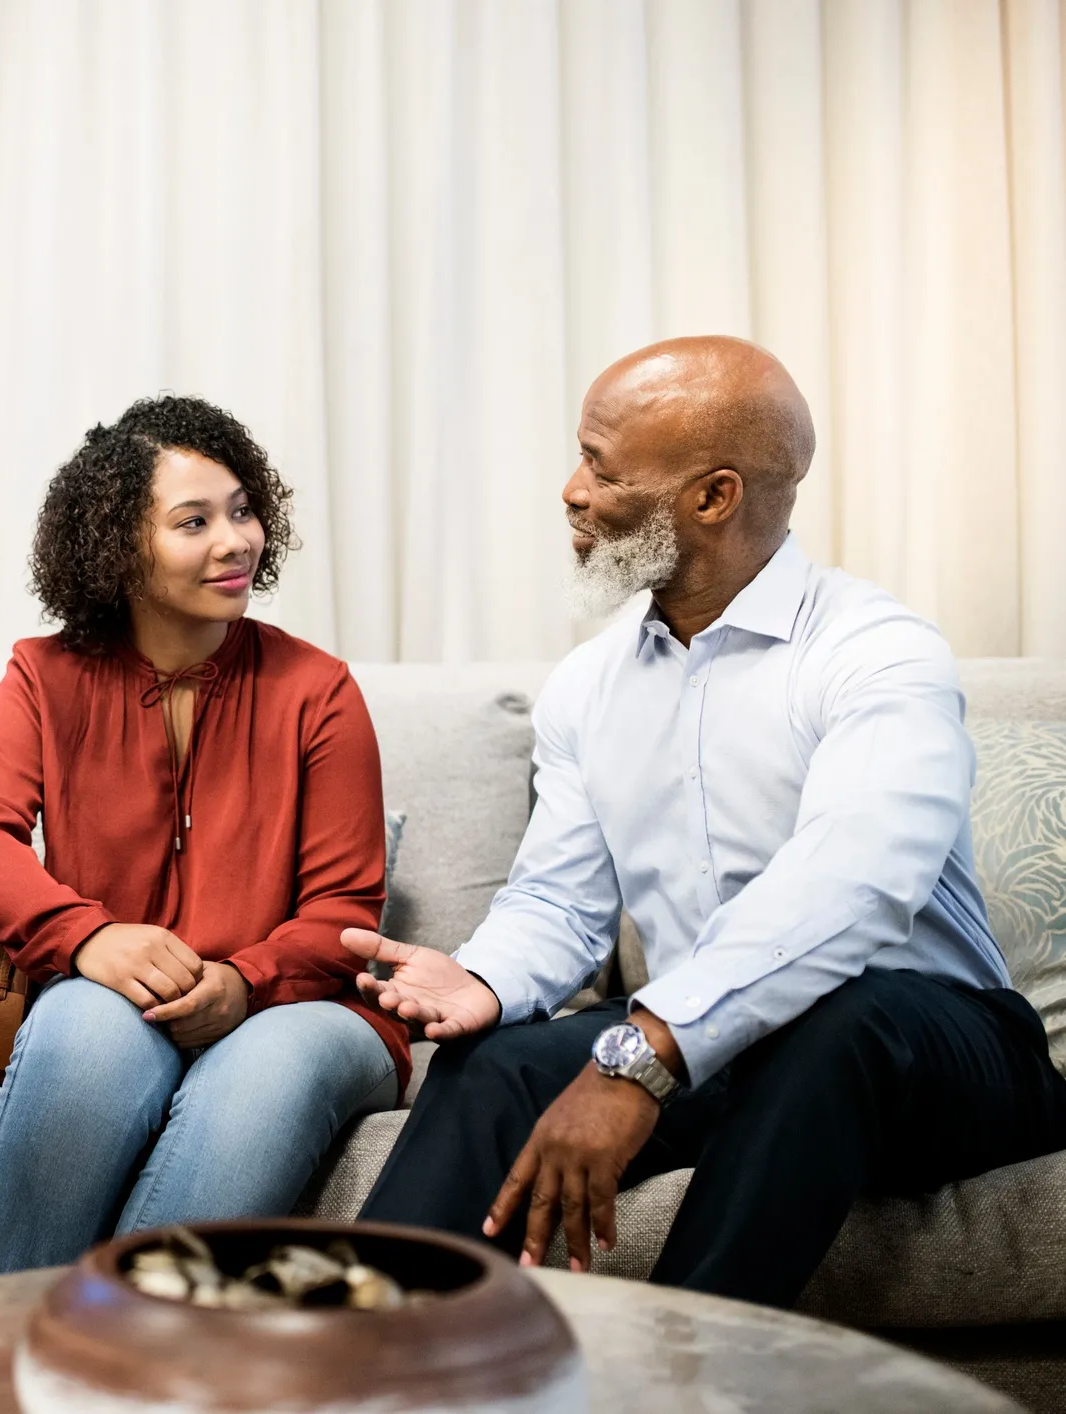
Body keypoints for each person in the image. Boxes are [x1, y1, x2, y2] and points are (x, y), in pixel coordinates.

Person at [346, 336, 1066, 1306]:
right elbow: (559, 901)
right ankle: (350, 1358)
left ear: (713, 497)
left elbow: (849, 889)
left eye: (600, 466)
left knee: (835, 1022)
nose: (570, 489)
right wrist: (483, 976)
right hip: (730, 1052)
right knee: (497, 1063)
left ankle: (682, 1378)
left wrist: (640, 1059)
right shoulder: (590, 686)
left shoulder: (877, 653)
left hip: (935, 1051)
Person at [0, 395, 408, 1276]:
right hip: (116, 990)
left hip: (306, 1007)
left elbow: (346, 908)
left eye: (241, 510)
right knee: (82, 1028)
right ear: (118, 548)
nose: (235, 541)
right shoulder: (43, 675)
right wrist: (88, 938)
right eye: (193, 521)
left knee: (263, 1072)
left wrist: (244, 980)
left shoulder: (319, 689)